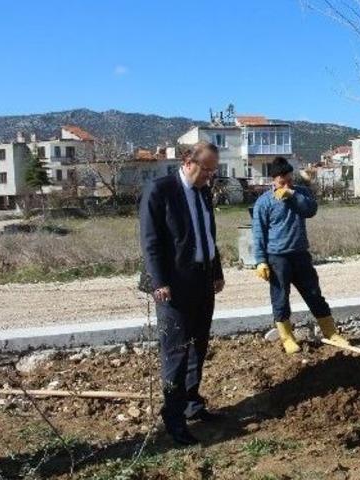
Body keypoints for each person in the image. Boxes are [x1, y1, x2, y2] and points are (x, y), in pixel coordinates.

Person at [139, 141, 226, 446]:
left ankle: (192, 404)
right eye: (207, 170)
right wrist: (158, 281)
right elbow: (150, 241)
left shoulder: (203, 192)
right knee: (175, 353)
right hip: (172, 286)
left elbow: (208, 236)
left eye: (214, 171)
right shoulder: (160, 190)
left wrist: (216, 272)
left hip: (202, 281)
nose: (210, 177)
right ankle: (173, 419)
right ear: (188, 162)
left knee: (198, 347)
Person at [252, 156, 349, 353]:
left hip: (300, 255)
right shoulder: (263, 202)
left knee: (314, 294)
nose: (286, 184)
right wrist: (260, 261)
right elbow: (258, 233)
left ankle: (331, 333)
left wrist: (292, 194)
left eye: (289, 180)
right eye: (282, 182)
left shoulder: (300, 193)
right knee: (280, 298)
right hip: (277, 258)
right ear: (273, 180)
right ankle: (287, 337)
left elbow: (311, 210)